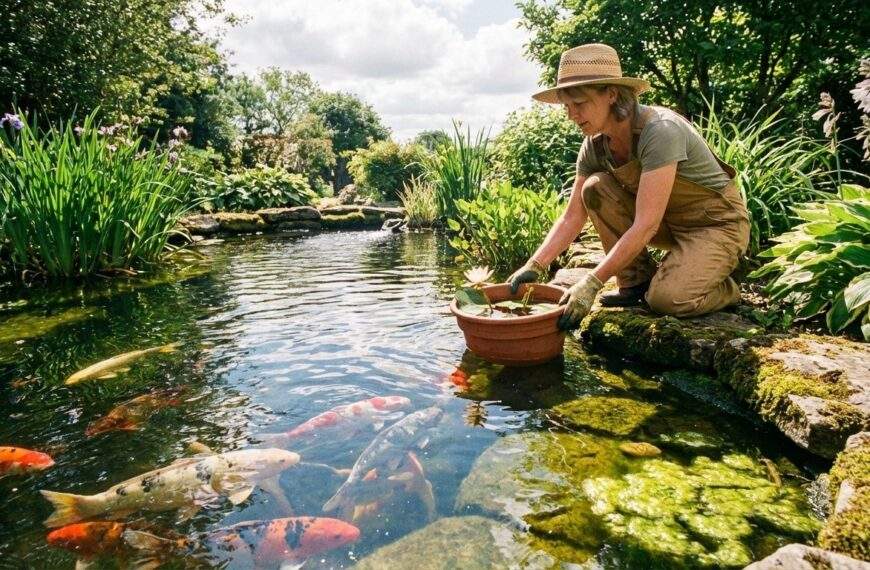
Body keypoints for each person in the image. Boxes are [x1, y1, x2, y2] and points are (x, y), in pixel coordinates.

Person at [506, 43, 750, 330]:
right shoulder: (594, 145)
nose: (572, 115)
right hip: (668, 225)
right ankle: (636, 281)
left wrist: (592, 282)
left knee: (667, 300)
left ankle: (728, 288)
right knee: (594, 188)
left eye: (580, 103)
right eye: (567, 107)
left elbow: (646, 224)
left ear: (611, 94)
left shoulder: (660, 130)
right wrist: (535, 264)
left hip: (715, 226)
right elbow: (573, 215)